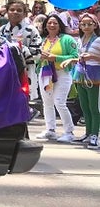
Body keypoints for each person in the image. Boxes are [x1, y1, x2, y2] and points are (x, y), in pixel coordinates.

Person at [34, 14, 78, 143]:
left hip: (62, 73)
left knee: (59, 102)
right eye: (49, 23)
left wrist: (56, 58)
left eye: (55, 23)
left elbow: (75, 56)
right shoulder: (42, 40)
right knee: (47, 103)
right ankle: (50, 130)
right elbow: (36, 56)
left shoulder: (67, 39)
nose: (52, 25)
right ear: (45, 25)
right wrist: (40, 58)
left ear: (60, 25)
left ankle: (69, 132)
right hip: (45, 73)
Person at [63, 12, 100, 148]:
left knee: (94, 107)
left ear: (95, 25)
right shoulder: (81, 39)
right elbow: (80, 57)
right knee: (85, 106)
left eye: (89, 24)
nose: (86, 27)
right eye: (83, 24)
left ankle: (95, 134)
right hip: (80, 74)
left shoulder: (98, 40)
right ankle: (88, 132)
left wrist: (92, 57)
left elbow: (92, 57)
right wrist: (72, 60)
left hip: (94, 75)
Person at [0, 0, 42, 95]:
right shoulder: (2, 30)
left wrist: (20, 50)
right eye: (12, 10)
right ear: (7, 12)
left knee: (23, 102)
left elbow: (37, 53)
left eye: (19, 10)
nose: (15, 12)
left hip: (25, 72)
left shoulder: (31, 30)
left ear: (25, 14)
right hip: (4, 72)